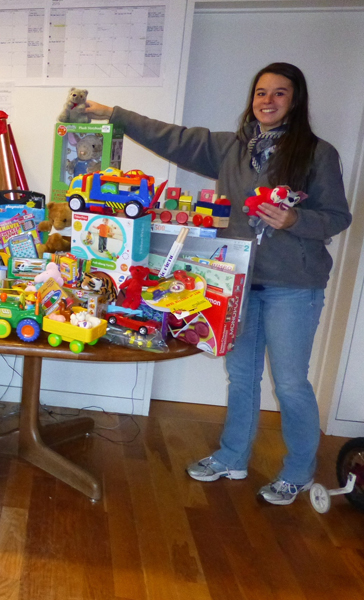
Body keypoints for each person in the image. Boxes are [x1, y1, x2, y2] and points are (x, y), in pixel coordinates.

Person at [85, 62, 351, 505]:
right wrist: (113, 113)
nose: (267, 101)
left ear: (296, 101)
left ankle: (300, 470)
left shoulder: (317, 154)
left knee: (289, 383)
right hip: (238, 282)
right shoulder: (231, 149)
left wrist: (295, 218)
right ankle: (232, 455)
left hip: (293, 286)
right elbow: (170, 136)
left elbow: (338, 216)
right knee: (241, 375)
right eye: (261, 92)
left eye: (279, 93)